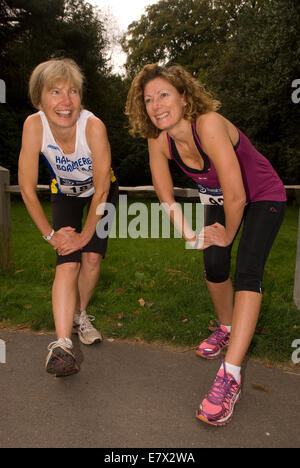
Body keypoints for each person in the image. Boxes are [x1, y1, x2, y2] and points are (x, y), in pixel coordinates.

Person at [125, 63, 286, 426]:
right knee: (214, 265)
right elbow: (165, 195)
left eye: (164, 94)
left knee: (247, 271)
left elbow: (237, 194)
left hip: (261, 195)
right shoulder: (158, 140)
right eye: (148, 99)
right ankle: (227, 328)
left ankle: (230, 376)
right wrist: (189, 234)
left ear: (183, 97)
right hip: (219, 198)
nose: (156, 104)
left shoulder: (209, 124)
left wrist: (228, 235)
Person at [18, 58, 118, 377]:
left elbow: (101, 191)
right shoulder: (34, 126)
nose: (66, 101)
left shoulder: (93, 127)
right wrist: (51, 235)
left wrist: (84, 235)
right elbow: (26, 187)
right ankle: (62, 345)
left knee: (90, 259)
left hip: (103, 194)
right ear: (40, 100)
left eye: (73, 91)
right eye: (56, 92)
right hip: (64, 193)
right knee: (68, 260)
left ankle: (81, 315)